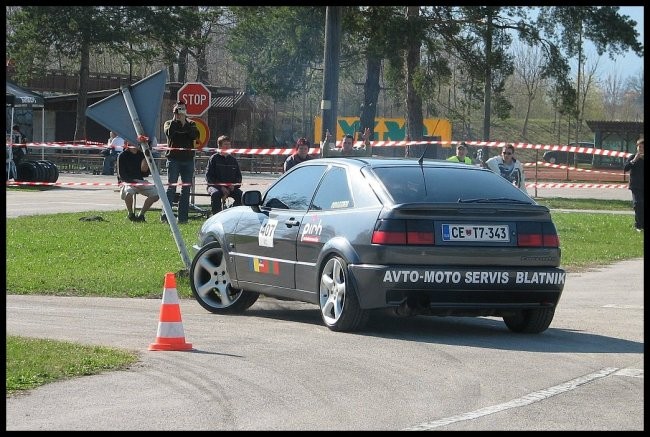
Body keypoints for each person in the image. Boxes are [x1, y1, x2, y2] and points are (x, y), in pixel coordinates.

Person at [162, 101, 199, 224]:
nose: (179, 112)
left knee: (186, 189)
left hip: (188, 160)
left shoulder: (192, 123)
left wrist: (184, 122)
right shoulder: (168, 123)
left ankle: (182, 218)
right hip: (173, 159)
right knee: (171, 187)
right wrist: (175, 119)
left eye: (182, 110)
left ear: (186, 111)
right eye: (177, 110)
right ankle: (166, 216)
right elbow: (169, 134)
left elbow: (194, 136)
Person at [117, 142, 159, 222]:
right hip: (127, 181)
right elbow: (122, 175)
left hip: (140, 181)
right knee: (129, 193)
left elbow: (145, 173)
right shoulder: (122, 155)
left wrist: (145, 166)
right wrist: (134, 183)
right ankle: (131, 214)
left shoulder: (141, 155)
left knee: (155, 195)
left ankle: (141, 215)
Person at [206, 135, 243, 215]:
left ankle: (231, 213)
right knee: (216, 194)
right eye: (225, 144)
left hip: (230, 188)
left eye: (229, 144)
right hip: (215, 187)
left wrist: (234, 186)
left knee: (242, 196)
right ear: (219, 146)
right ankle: (216, 216)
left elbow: (239, 177)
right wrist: (221, 187)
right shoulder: (213, 159)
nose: (228, 146)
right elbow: (209, 177)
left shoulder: (233, 160)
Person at [623, 137, 644, 232]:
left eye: (642, 147)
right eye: (639, 147)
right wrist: (634, 160)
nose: (640, 149)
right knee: (638, 204)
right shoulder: (632, 157)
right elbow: (625, 168)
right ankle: (639, 226)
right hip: (636, 186)